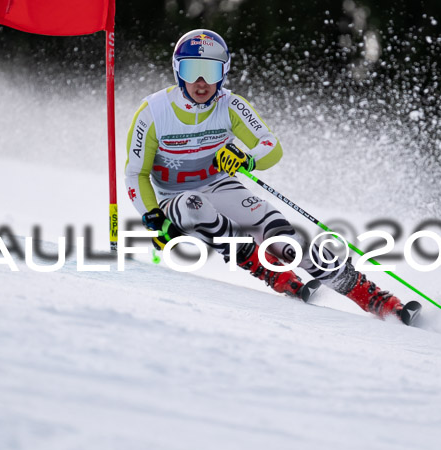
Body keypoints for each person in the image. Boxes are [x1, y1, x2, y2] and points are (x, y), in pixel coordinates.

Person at [125, 29, 420, 324]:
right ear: (178, 70)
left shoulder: (231, 105)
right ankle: (266, 269)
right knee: (194, 204)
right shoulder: (154, 112)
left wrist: (248, 159)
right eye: (192, 70)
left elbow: (271, 147)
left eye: (211, 71)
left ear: (223, 72)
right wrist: (153, 218)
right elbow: (136, 173)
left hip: (218, 185)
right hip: (174, 199)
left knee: (286, 240)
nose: (201, 82)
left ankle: (372, 297)